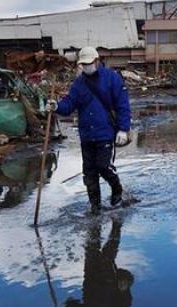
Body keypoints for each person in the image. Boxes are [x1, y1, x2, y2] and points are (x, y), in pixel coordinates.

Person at [48, 47, 131, 213]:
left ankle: (117, 189)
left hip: (105, 133)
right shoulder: (79, 84)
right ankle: (95, 206)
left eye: (89, 63)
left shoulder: (111, 79)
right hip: (86, 135)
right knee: (89, 173)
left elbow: (123, 104)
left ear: (97, 61)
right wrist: (56, 106)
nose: (86, 67)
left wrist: (123, 129)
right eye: (83, 64)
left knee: (103, 166)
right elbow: (69, 104)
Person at [56, 216, 133, 307]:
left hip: (91, 276)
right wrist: (124, 289)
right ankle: (116, 222)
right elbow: (125, 305)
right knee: (109, 252)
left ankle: (95, 219)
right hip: (108, 280)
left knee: (91, 247)